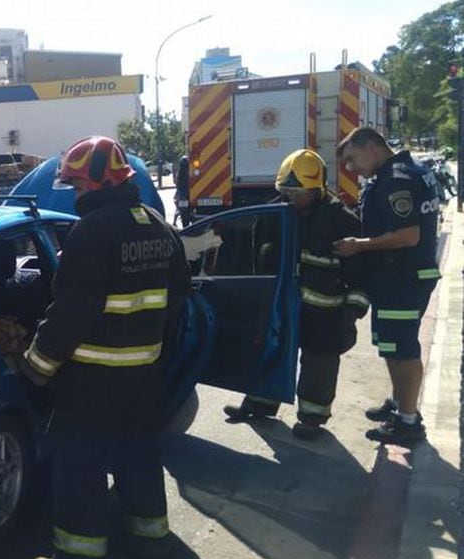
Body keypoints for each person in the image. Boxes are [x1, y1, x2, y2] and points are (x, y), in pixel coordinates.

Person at [20, 136, 190, 559]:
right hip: (142, 377)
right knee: (139, 457)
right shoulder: (157, 226)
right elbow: (178, 300)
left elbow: (70, 314)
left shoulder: (90, 234)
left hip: (91, 380)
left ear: (97, 182)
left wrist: (35, 367)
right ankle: (151, 543)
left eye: (77, 187)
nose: (75, 196)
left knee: (79, 465)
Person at [222, 149, 368, 439]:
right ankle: (259, 403)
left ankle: (312, 418)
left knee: (319, 364)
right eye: (285, 190)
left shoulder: (341, 219)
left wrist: (352, 312)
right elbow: (260, 254)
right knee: (270, 350)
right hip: (283, 304)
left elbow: (360, 272)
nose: (290, 197)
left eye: (297, 192)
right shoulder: (276, 212)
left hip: (325, 310)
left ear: (317, 188)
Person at [334, 128, 441, 445]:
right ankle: (399, 404)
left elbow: (409, 235)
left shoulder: (396, 178)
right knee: (392, 345)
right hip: (396, 277)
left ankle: (408, 421)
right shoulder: (402, 172)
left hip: (403, 277)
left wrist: (360, 245)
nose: (352, 169)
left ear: (371, 147)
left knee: (403, 348)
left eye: (353, 159)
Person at [174, 155, 191, 227]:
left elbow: (177, 183)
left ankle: (176, 221)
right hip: (187, 193)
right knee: (181, 209)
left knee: (181, 209)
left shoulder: (179, 173)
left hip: (182, 194)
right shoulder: (189, 173)